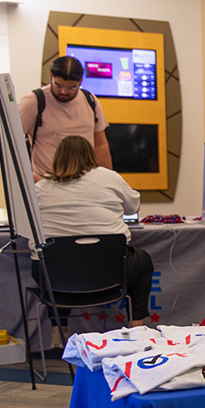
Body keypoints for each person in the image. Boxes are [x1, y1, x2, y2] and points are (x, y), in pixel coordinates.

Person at [33, 136, 153, 326]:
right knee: (142, 260)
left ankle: (58, 331)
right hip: (109, 273)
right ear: (91, 155)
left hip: (56, 276)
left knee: (53, 264)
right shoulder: (109, 177)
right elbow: (133, 207)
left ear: (57, 158)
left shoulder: (39, 189)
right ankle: (136, 326)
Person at [19, 56, 111, 181]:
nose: (63, 92)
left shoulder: (90, 101)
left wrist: (108, 180)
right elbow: (11, 143)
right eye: (58, 85)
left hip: (86, 183)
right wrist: (30, 179)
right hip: (47, 183)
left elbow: (100, 145)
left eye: (71, 88)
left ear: (80, 81)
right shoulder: (34, 102)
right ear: (50, 76)